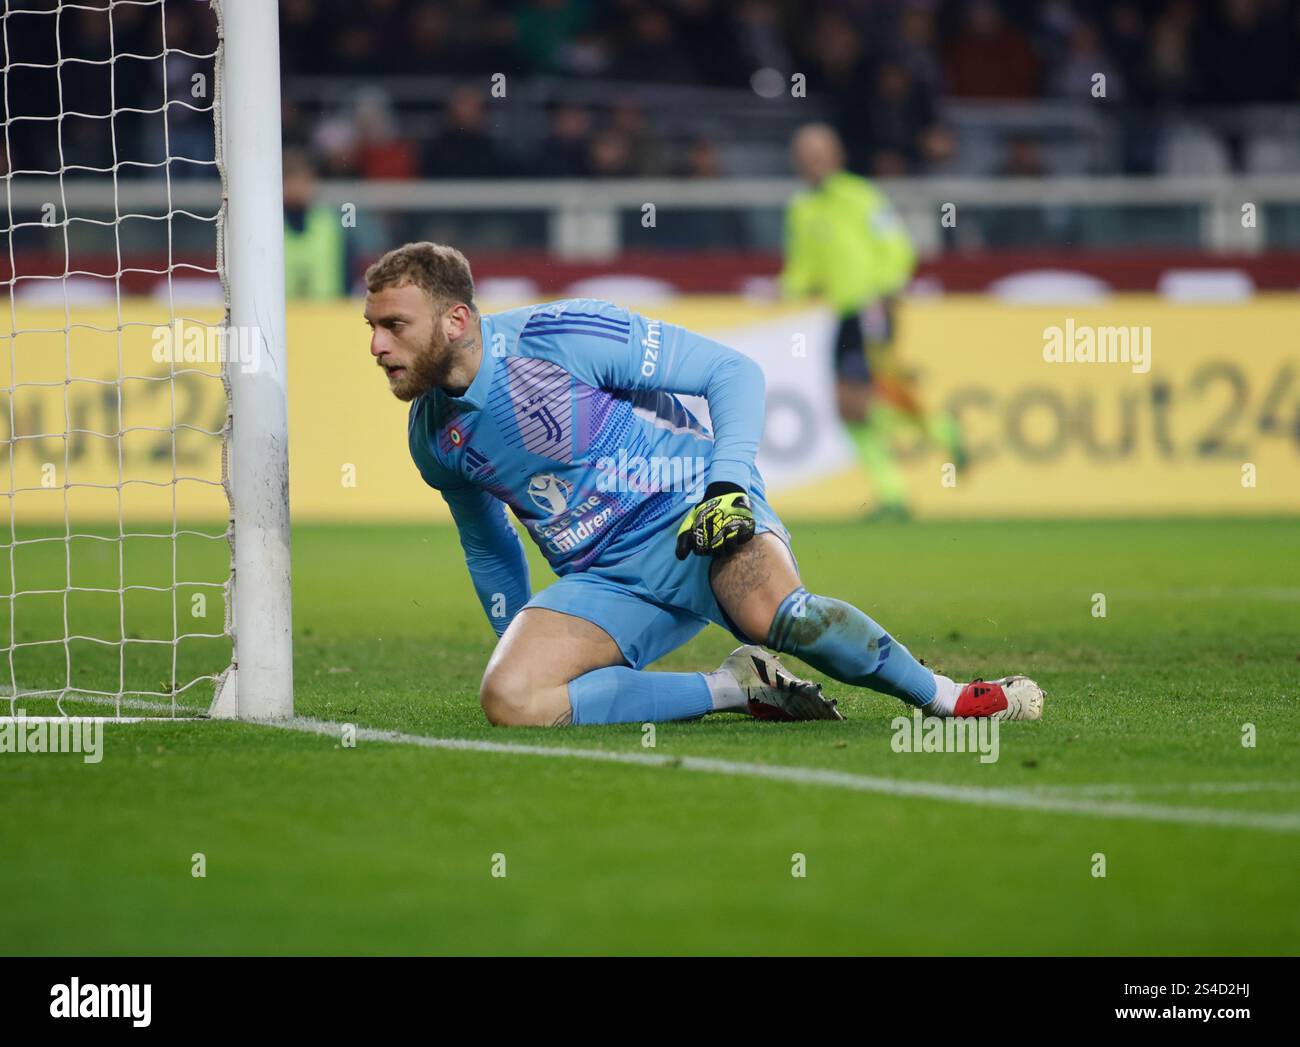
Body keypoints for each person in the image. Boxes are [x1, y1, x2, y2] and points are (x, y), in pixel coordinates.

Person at [363, 241, 1044, 727]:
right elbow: (489, 548)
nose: (377, 347)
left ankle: (948, 696)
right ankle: (735, 687)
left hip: (695, 515)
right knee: (512, 696)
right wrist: (522, 636)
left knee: (778, 615)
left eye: (394, 326)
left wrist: (727, 488)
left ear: (456, 320)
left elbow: (734, 373)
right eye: (373, 328)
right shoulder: (432, 436)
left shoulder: (560, 337)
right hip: (605, 579)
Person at [780, 123, 965, 518]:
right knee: (854, 405)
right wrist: (785, 289)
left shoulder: (860, 195)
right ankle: (935, 437)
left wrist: (887, 286)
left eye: (820, 154)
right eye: (805, 156)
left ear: (836, 156)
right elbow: (803, 268)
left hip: (873, 306)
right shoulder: (801, 208)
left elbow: (897, 246)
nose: (813, 163)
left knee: (860, 397)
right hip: (844, 312)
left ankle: (896, 488)